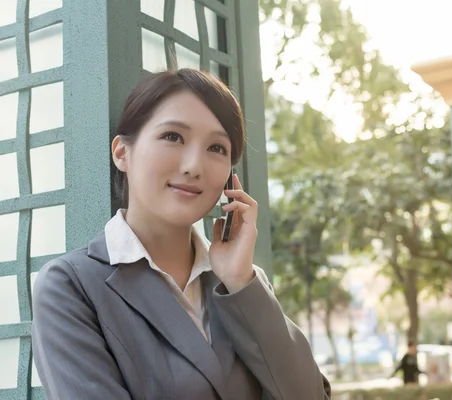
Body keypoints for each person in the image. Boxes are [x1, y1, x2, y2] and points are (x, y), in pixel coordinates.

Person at [31, 68, 331, 400]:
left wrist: (240, 279)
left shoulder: (240, 284)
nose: (193, 166)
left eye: (217, 148)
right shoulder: (70, 286)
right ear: (122, 153)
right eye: (173, 136)